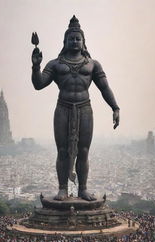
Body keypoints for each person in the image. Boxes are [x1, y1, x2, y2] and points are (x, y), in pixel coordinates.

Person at [31, 15, 120, 201]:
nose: (74, 41)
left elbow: (104, 88)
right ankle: (62, 188)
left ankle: (83, 189)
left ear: (83, 41)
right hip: (63, 108)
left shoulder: (92, 64)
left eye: (78, 38)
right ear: (65, 41)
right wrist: (36, 66)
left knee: (84, 150)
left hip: (84, 108)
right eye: (71, 38)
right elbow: (38, 84)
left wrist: (115, 107)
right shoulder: (55, 64)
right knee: (62, 150)